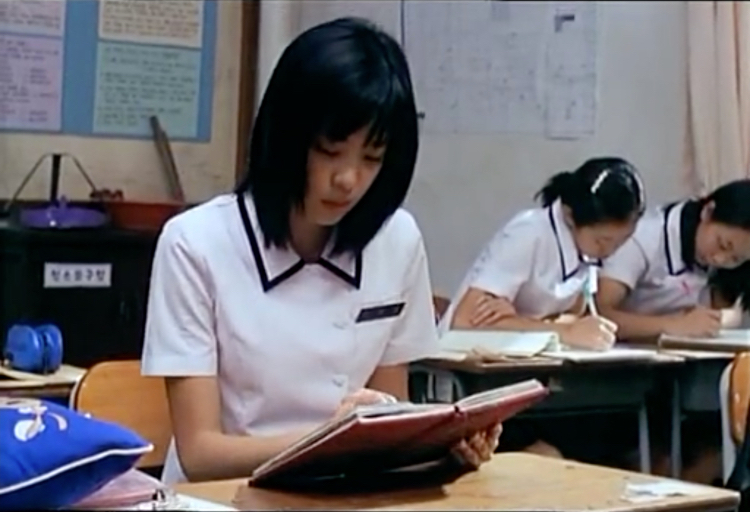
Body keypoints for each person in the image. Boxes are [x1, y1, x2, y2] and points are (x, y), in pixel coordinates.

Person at [140, 17, 501, 485]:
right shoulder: (195, 242)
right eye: (330, 150)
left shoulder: (397, 240)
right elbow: (201, 453)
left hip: (344, 493)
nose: (348, 180)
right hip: (222, 498)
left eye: (371, 159)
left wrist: (443, 448)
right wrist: (330, 438)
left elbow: (389, 406)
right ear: (286, 137)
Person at [440, 157, 646, 460]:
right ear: (570, 216)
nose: (610, 251)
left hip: (532, 382)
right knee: (557, 454)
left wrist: (528, 321)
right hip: (473, 386)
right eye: (603, 240)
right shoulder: (529, 234)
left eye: (621, 241)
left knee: (617, 440)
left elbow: (570, 312)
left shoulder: (584, 250)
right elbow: (467, 322)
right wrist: (563, 330)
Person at [596, 179, 750, 483]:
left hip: (683, 374)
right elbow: (600, 312)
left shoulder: (722, 263)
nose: (721, 260)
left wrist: (719, 320)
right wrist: (673, 325)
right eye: (722, 245)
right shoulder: (646, 237)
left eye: (736, 260)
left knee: (720, 445)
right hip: (621, 374)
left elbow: (721, 311)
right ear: (708, 211)